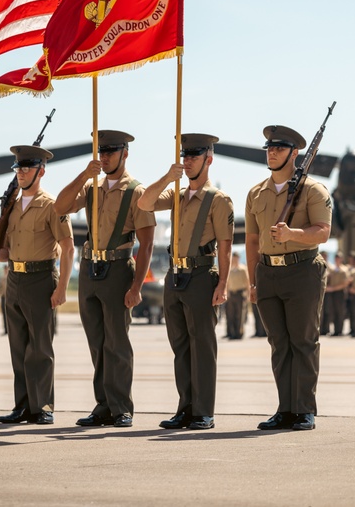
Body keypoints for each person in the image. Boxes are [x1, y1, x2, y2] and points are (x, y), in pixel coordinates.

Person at [55, 130, 156, 428]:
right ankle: (103, 405)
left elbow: (146, 243)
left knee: (117, 342)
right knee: (97, 343)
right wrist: (83, 175)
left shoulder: (136, 192)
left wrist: (137, 286)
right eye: (102, 152)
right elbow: (60, 207)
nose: (105, 157)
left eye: (111, 151)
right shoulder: (91, 188)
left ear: (125, 154)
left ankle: (122, 406)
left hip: (118, 270)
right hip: (89, 270)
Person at [138, 133, 233, 431]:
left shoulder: (218, 200)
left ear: (209, 159)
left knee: (202, 347)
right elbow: (144, 202)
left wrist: (223, 284)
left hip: (203, 276)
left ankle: (204, 411)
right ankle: (186, 408)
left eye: (194, 156)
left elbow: (226, 246)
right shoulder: (177, 195)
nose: (188, 161)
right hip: (175, 276)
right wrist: (168, 176)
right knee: (180, 347)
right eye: (185, 156)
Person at [0, 145, 74, 426]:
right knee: (18, 347)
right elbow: (8, 251)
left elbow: (67, 249)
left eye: (27, 168)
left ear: (41, 172)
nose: (21, 173)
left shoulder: (52, 205)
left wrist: (62, 289)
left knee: (40, 348)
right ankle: (22, 406)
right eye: (18, 168)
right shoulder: (12, 208)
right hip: (14, 280)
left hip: (42, 279)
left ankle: (42, 405)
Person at [244, 125, 331, 432]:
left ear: (295, 153)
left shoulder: (314, 190)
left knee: (303, 342)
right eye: (269, 148)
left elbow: (323, 230)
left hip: (302, 270)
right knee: (279, 344)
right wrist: (253, 280)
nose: (272, 152)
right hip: (268, 272)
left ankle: (304, 409)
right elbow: (252, 241)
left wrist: (292, 234)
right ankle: (285, 409)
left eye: (279, 148)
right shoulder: (257, 192)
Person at [322, 252, 349, 336]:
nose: (337, 260)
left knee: (340, 312)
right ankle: (335, 330)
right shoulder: (333, 270)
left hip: (339, 292)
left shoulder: (344, 270)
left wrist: (333, 288)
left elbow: (345, 283)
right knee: (332, 312)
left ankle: (339, 330)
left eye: (338, 258)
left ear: (341, 259)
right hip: (332, 293)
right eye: (336, 258)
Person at [225, 253, 249, 340]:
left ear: (238, 258)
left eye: (235, 258)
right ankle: (232, 333)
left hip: (240, 293)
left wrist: (247, 294)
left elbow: (247, 282)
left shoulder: (242, 269)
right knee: (231, 314)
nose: (234, 260)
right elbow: (227, 283)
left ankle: (239, 333)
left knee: (239, 314)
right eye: (233, 258)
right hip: (231, 293)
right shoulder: (230, 270)